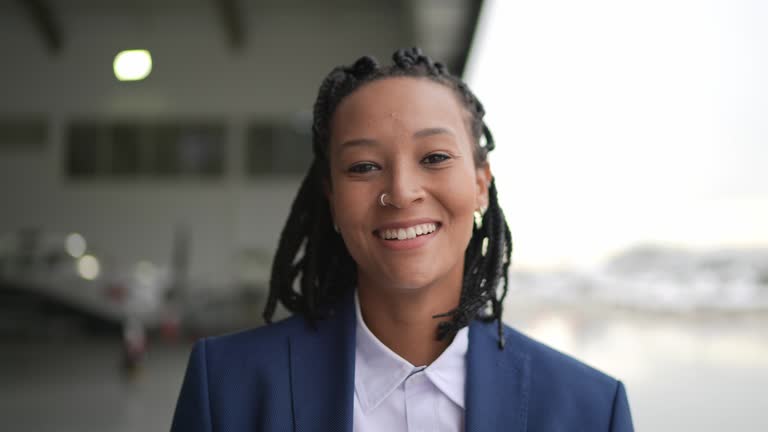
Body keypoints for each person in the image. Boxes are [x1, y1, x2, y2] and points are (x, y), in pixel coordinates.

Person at [170, 48, 634, 432]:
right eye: (364, 166)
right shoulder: (228, 388)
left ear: (480, 184)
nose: (402, 192)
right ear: (332, 199)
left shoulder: (590, 410)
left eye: (433, 157)